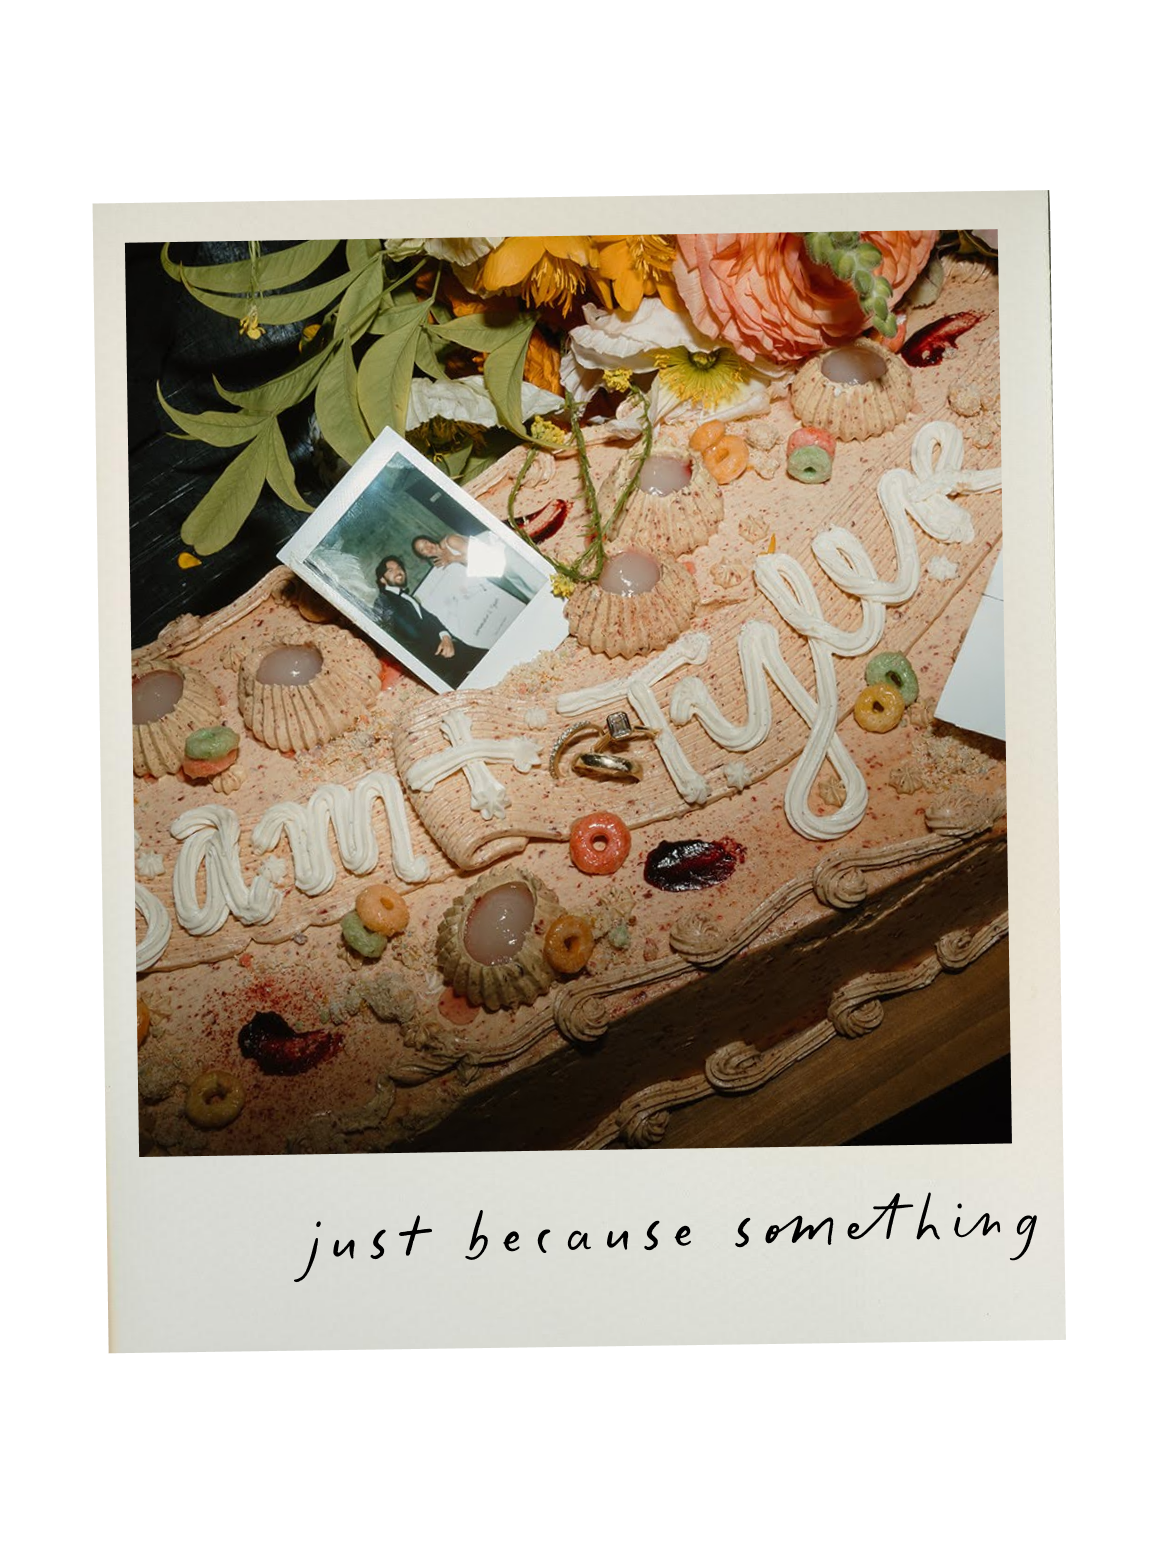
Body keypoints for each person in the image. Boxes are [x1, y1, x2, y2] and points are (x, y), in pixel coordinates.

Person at [373, 555, 486, 688]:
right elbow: (413, 634)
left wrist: (445, 636)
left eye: (399, 567)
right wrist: (444, 642)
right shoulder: (385, 602)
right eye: (390, 570)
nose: (398, 571)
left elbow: (429, 618)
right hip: (440, 663)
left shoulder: (402, 596)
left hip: (448, 651)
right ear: (382, 579)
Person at [411, 530, 539, 605]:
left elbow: (476, 554)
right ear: (424, 556)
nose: (427, 548)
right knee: (531, 594)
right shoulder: (442, 561)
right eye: (423, 550)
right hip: (498, 567)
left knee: (537, 582)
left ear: (429, 540)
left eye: (425, 543)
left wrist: (452, 559)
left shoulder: (450, 541)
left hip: (504, 554)